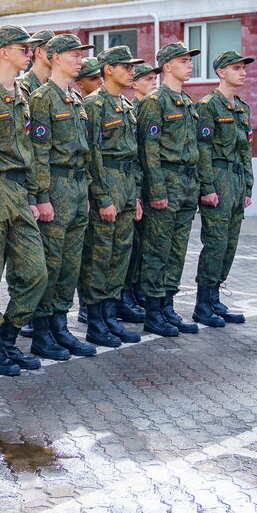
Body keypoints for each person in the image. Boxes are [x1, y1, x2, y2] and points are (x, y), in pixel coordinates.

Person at [0, 25, 56, 378]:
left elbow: (32, 149)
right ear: (3, 51)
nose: (30, 52)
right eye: (24, 47)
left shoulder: (22, 93)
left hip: (19, 192)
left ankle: (7, 335)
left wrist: (36, 194)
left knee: (36, 272)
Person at [28, 34, 99, 359]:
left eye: (80, 54)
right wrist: (41, 196)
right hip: (55, 187)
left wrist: (83, 189)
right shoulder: (42, 98)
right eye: (73, 54)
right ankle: (43, 333)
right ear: (55, 57)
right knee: (52, 263)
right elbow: (39, 153)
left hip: (75, 187)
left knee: (70, 264)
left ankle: (60, 326)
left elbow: (84, 151)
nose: (79, 60)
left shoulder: (74, 98)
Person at [137, 45, 204, 337]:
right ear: (166, 67)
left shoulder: (187, 101)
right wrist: (156, 189)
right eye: (183, 61)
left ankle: (167, 307)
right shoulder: (155, 101)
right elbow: (148, 150)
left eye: (189, 61)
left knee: (177, 251)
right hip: (167, 182)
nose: (189, 66)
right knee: (158, 250)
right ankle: (153, 312)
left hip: (187, 184)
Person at [82, 46, 145, 348]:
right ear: (108, 69)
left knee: (120, 256)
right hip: (106, 185)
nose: (132, 72)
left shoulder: (127, 105)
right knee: (100, 257)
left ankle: (109, 317)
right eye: (126, 67)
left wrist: (135, 196)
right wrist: (102, 197)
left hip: (125, 188)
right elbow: (91, 154)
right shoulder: (93, 105)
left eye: (133, 68)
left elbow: (133, 157)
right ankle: (95, 321)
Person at [193, 50, 256, 327]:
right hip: (217, 179)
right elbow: (202, 150)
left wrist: (248, 188)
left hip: (236, 180)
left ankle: (215, 297)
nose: (242, 72)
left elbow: (246, 151)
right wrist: (206, 187)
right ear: (221, 72)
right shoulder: (208, 105)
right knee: (215, 244)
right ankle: (203, 304)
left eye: (243, 68)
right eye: (236, 68)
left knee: (229, 245)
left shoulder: (242, 107)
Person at [124, 62, 161, 314]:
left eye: (154, 79)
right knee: (132, 245)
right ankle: (126, 293)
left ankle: (136, 290)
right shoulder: (134, 109)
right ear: (134, 83)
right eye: (147, 79)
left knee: (142, 245)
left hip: (143, 187)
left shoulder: (145, 108)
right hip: (131, 187)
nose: (153, 83)